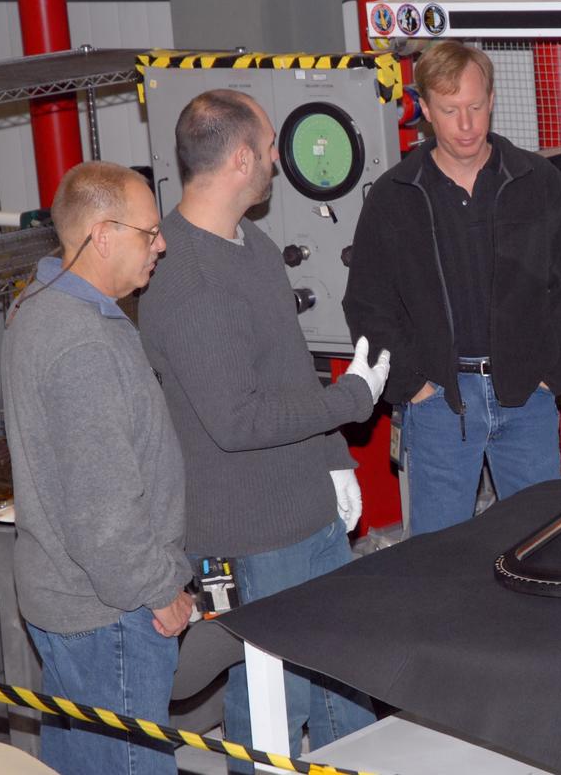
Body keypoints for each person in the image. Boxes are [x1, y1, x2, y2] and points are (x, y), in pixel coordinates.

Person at [138, 89, 390, 771]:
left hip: (309, 511)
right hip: (250, 535)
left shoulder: (255, 243)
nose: (280, 161)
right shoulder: (186, 278)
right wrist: (349, 402)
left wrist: (335, 459)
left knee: (348, 682)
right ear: (244, 157)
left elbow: (284, 376)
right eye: (272, 146)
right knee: (276, 701)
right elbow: (238, 420)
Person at [343, 40, 561, 536]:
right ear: (425, 111)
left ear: (492, 100)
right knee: (438, 559)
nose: (466, 124)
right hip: (438, 402)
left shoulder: (537, 181)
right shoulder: (396, 196)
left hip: (528, 396)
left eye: (475, 107)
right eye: (450, 110)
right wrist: (412, 386)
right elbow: (369, 301)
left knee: (541, 543)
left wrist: (553, 376)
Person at [2, 161, 194, 775]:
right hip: (109, 614)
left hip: (76, 603)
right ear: (103, 234)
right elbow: (102, 508)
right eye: (149, 232)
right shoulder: (80, 341)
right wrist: (157, 588)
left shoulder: (45, 305)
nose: (160, 244)